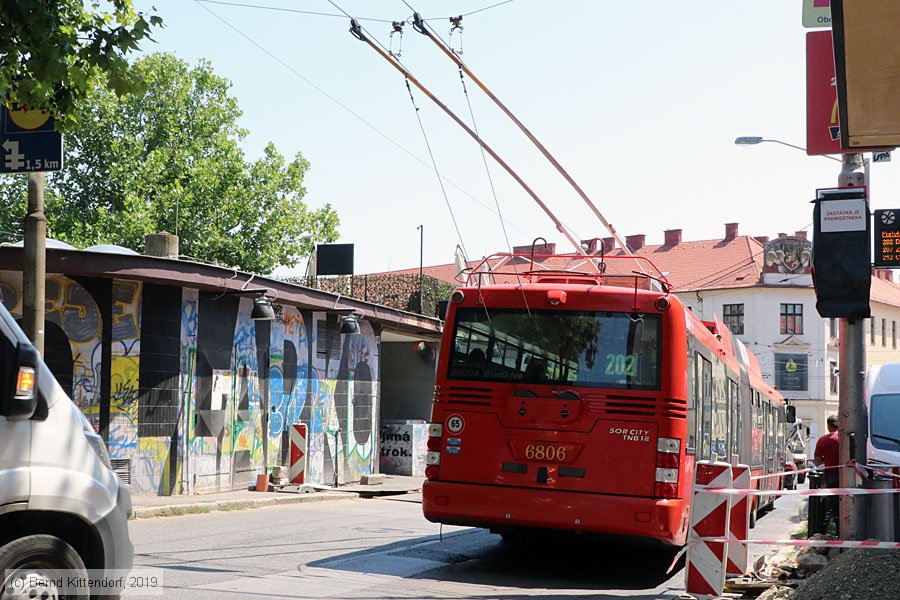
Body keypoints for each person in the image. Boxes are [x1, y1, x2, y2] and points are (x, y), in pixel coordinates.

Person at [813, 414, 840, 533]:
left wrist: (826, 460)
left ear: (828, 426)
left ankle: (838, 528)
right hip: (847, 474)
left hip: (830, 475)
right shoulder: (844, 439)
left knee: (833, 502)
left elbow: (817, 460)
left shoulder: (823, 440)